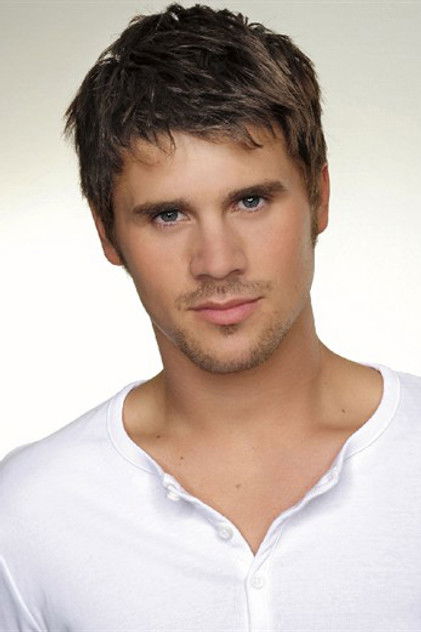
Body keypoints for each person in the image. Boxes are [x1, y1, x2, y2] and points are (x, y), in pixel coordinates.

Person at [1, 3, 420, 630]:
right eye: (168, 215)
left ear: (319, 196)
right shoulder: (28, 513)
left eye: (250, 201)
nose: (217, 262)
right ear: (107, 234)